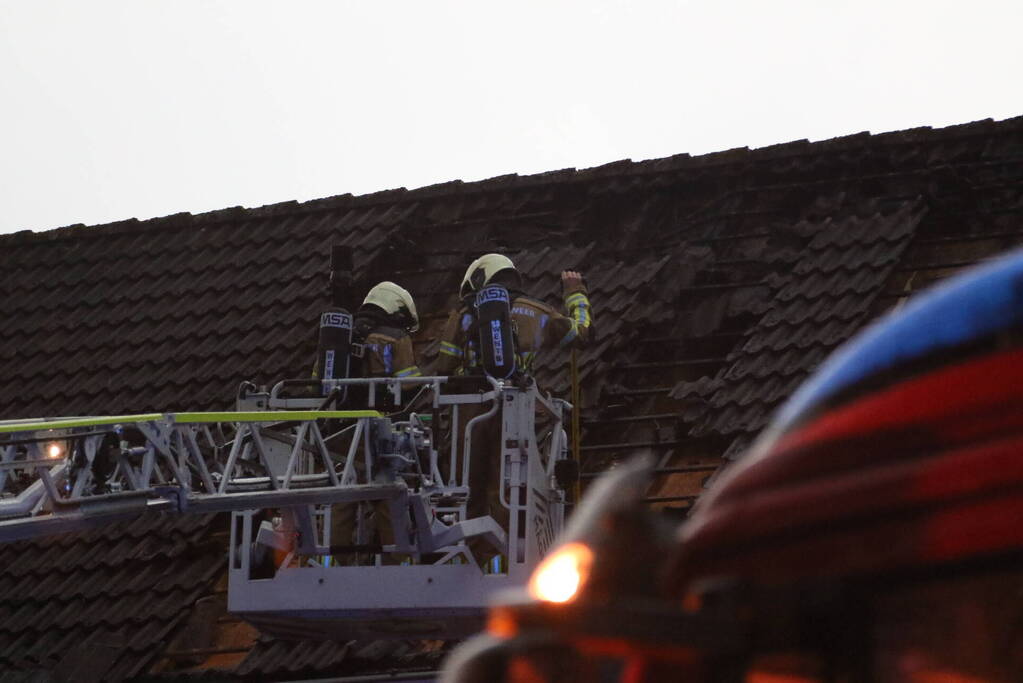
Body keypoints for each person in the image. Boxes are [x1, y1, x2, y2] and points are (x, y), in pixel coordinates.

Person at [434, 254, 594, 564]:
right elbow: (581, 333)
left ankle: (471, 559)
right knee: (506, 488)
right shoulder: (535, 311)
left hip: (471, 412)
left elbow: (443, 367)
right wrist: (576, 294)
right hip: (516, 412)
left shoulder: (464, 314)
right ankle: (503, 562)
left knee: (468, 488)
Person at [330, 281, 421, 563]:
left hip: (341, 426)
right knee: (386, 489)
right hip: (380, 426)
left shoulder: (339, 336)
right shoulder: (395, 337)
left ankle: (336, 557)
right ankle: (396, 558)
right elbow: (409, 384)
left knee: (343, 491)